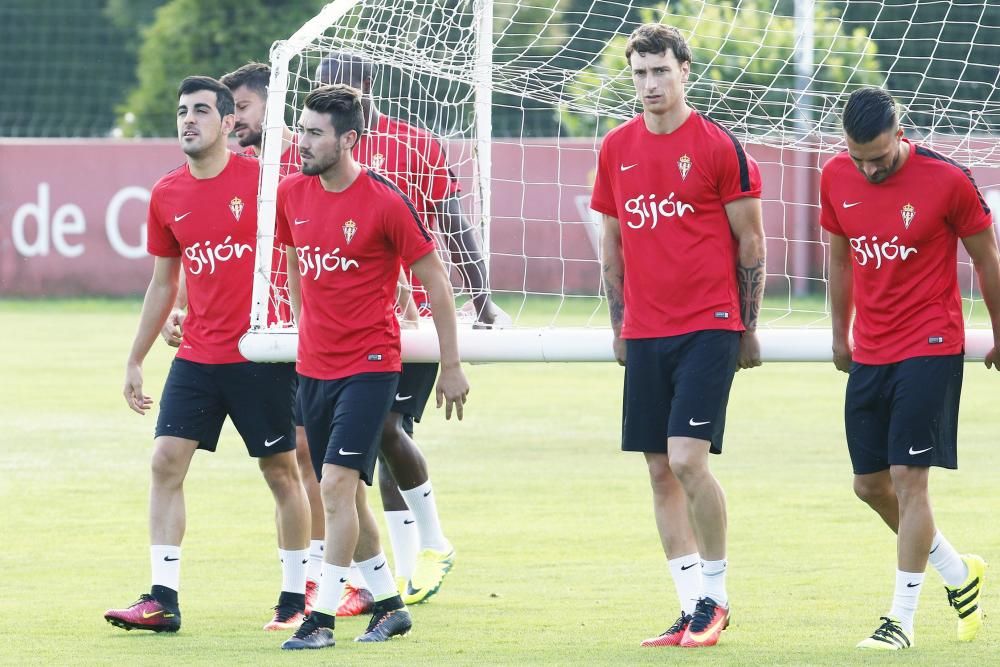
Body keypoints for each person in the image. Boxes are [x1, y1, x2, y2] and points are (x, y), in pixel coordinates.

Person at [105, 76, 311, 634]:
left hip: (260, 353)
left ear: (227, 122)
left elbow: (301, 257)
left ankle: (295, 596)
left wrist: (300, 328)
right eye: (181, 112)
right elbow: (161, 284)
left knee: (280, 472)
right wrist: (135, 357)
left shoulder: (269, 184)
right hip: (197, 355)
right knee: (165, 461)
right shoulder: (166, 193)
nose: (188, 120)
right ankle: (162, 599)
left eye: (200, 110)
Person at [275, 84, 469, 650]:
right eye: (301, 129)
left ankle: (321, 619)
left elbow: (435, 278)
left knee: (335, 485)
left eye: (315, 133)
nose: (302, 142)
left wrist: (451, 362)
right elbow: (293, 261)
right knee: (347, 497)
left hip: (370, 364)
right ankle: (389, 604)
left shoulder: (384, 200)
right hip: (313, 365)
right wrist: (301, 331)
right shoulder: (292, 193)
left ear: (349, 139)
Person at [590, 24, 765, 649]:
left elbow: (751, 242)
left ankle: (716, 598)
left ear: (684, 70)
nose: (649, 84)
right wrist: (619, 326)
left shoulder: (719, 146)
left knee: (689, 460)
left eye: (660, 71)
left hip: (709, 326)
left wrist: (748, 325)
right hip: (645, 331)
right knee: (659, 469)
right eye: (639, 74)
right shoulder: (616, 148)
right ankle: (691, 606)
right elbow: (612, 245)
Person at [315, 51, 502, 607]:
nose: (334, 97)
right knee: (358, 447)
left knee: (385, 428)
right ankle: (400, 570)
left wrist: (483, 300)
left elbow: (453, 224)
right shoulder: (317, 149)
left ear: (367, 88)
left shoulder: (414, 144)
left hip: (412, 320)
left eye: (344, 86)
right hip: (344, 323)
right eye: (324, 88)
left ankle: (431, 545)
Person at [821, 87, 999, 650]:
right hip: (871, 350)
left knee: (908, 481)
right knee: (869, 485)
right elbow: (840, 258)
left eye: (878, 156)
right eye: (858, 157)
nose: (868, 169)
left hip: (931, 344)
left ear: (901, 133)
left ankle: (900, 621)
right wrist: (838, 334)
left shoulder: (947, 179)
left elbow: (987, 258)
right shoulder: (834, 176)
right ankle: (956, 570)